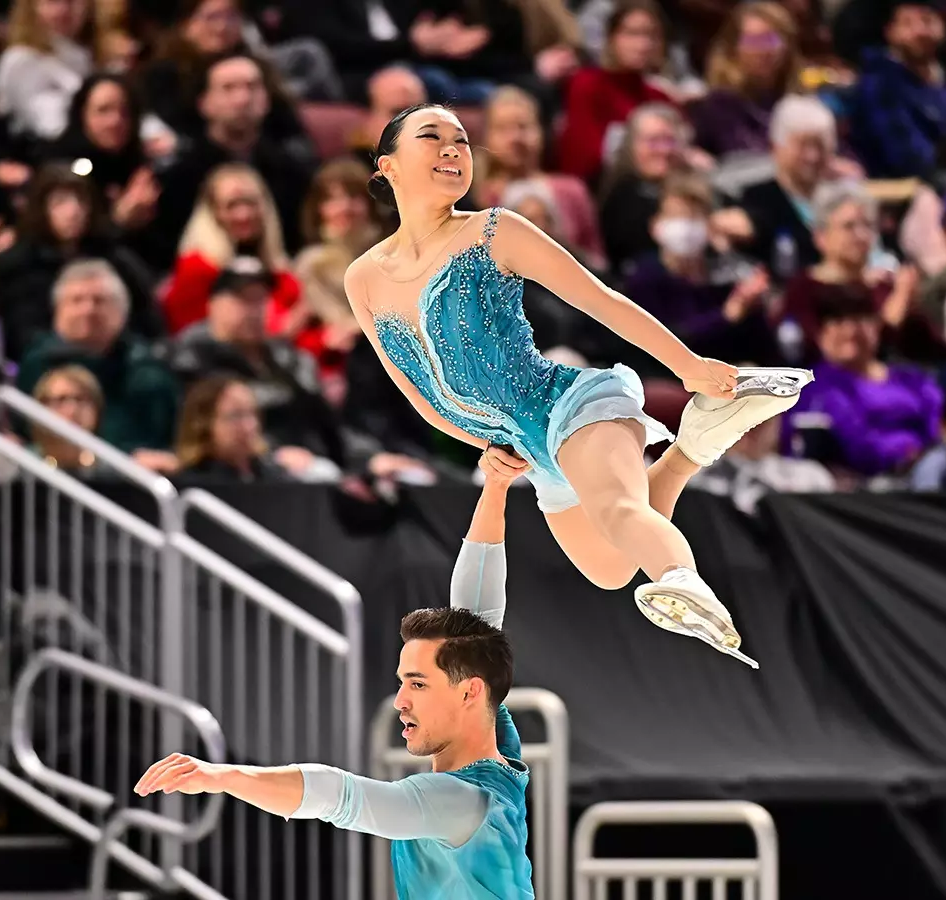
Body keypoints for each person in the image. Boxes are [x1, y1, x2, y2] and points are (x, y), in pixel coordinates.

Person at [342, 103, 809, 660]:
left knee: (619, 512)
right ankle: (689, 450)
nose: (453, 148)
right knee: (610, 570)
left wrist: (688, 366)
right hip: (528, 448)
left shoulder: (495, 230)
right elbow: (415, 390)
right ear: (386, 166)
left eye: (463, 140)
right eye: (432, 137)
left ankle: (682, 579)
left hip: (569, 405)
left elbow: (600, 301)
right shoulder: (363, 277)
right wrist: (487, 448)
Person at [135, 452, 535, 898]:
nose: (400, 700)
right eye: (403, 681)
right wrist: (495, 487)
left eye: (418, 684)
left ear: (468, 692)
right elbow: (477, 614)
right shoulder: (491, 736)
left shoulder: (460, 802)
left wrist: (224, 776)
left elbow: (339, 796)